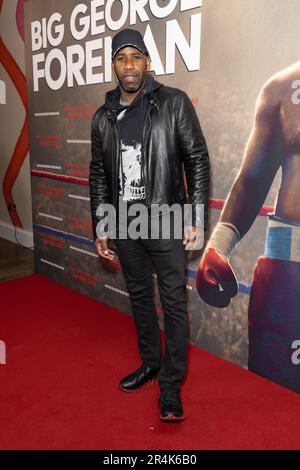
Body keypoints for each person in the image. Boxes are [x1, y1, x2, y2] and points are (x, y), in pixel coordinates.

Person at [89, 28, 210, 421]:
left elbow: (197, 160)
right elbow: (99, 175)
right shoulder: (102, 116)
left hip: (165, 218)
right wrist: (102, 223)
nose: (129, 66)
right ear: (113, 65)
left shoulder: (173, 103)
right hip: (125, 224)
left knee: (173, 302)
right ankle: (150, 363)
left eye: (136, 57)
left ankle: (171, 384)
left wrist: (195, 216)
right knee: (140, 298)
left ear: (147, 63)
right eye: (121, 58)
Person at [196, 62, 300, 393]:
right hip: (290, 274)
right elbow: (251, 181)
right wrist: (218, 245)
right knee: (273, 397)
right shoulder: (283, 88)